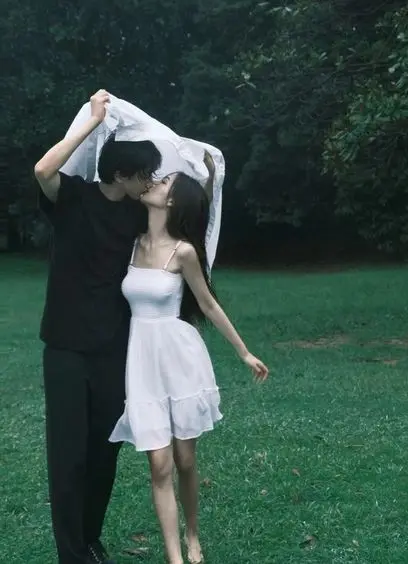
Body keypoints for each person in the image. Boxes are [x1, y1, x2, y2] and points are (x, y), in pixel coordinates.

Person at [108, 162, 269, 564]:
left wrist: (244, 352)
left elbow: (209, 305)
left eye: (164, 182)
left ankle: (192, 532)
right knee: (159, 465)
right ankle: (175, 558)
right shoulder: (132, 242)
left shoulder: (183, 252)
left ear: (173, 201)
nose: (153, 182)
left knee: (184, 460)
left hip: (179, 358)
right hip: (141, 363)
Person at [35, 89, 162, 564]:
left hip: (114, 346)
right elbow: (43, 170)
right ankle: (72, 553)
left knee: (104, 452)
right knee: (68, 456)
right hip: (66, 348)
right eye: (143, 173)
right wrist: (92, 122)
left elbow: (181, 208)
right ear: (120, 174)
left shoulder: (137, 213)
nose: (149, 181)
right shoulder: (73, 197)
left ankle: (90, 538)